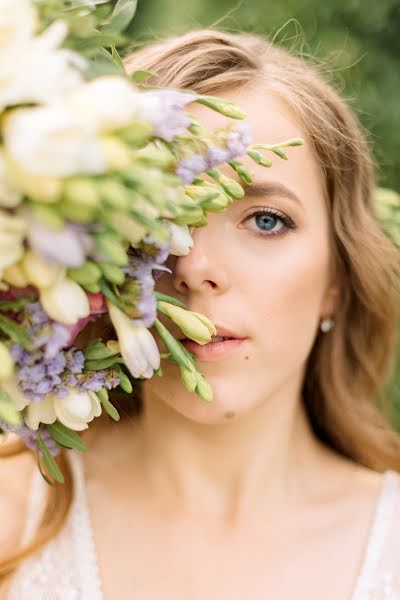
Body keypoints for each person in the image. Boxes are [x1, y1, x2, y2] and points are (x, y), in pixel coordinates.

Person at [1, 28, 400, 600]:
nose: (195, 268)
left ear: (336, 278)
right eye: (155, 222)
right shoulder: (12, 518)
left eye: (266, 220)